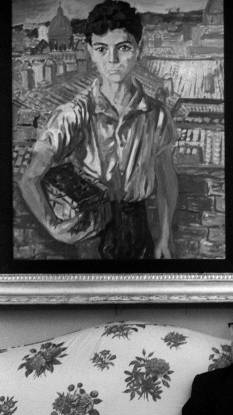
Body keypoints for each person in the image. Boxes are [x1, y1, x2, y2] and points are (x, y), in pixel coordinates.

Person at [19, 0, 178, 259]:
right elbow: (29, 179)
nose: (112, 60)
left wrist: (165, 236)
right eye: (102, 49)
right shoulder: (73, 114)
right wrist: (53, 227)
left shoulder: (157, 115)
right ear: (90, 51)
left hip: (139, 230)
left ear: (140, 49)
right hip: (90, 232)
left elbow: (166, 180)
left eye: (123, 47)